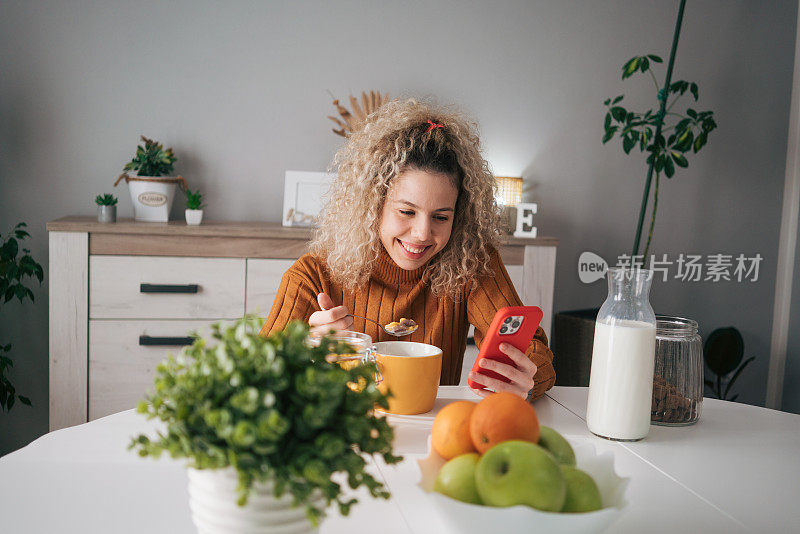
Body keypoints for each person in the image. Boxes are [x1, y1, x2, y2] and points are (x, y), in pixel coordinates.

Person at [260, 99, 555, 400]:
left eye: (441, 217)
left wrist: (527, 379)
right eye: (406, 212)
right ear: (373, 206)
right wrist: (303, 354)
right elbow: (255, 377)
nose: (423, 234)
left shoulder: (470, 263)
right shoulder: (313, 274)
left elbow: (534, 351)